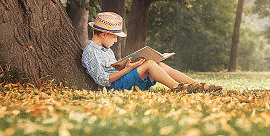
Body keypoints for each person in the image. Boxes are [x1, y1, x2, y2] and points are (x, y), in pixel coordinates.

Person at [81, 11, 221, 92]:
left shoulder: (107, 50)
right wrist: (127, 69)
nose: (116, 40)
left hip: (121, 80)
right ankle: (177, 87)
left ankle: (196, 85)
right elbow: (102, 79)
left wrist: (129, 65)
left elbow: (114, 69)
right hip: (113, 87)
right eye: (115, 37)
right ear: (104, 34)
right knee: (149, 64)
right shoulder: (90, 52)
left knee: (157, 64)